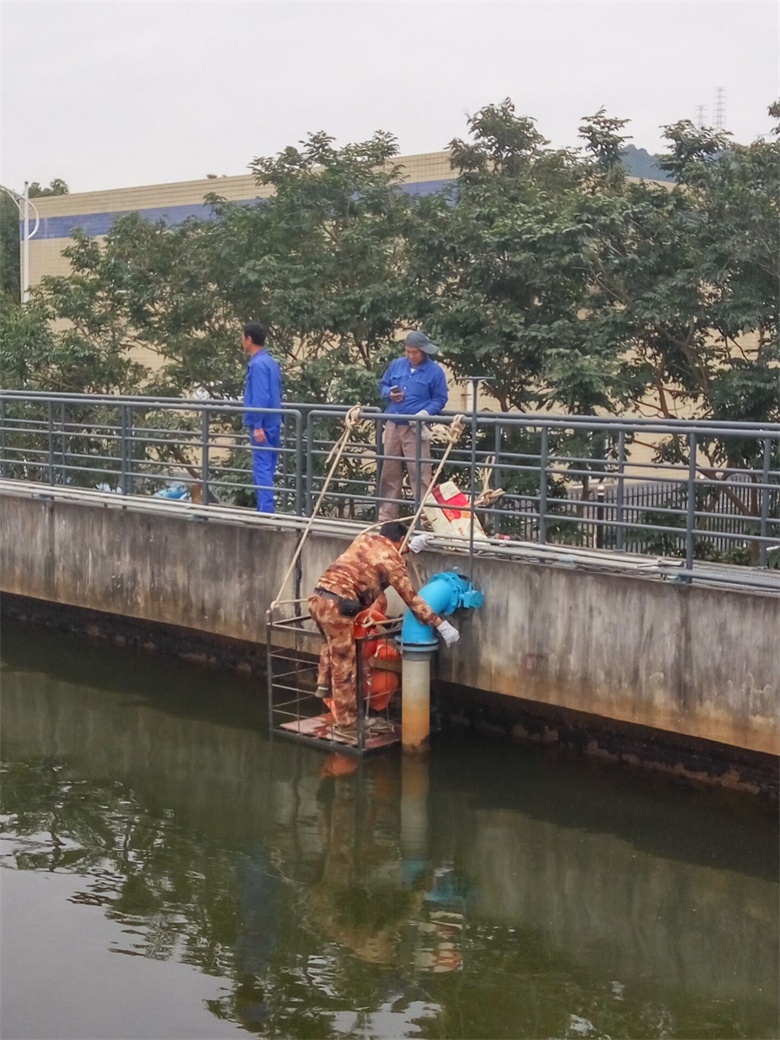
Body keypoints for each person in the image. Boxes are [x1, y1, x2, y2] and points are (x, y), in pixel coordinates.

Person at [308, 521, 459, 735]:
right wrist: (440, 624)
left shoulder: (365, 538)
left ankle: (323, 683)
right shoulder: (393, 560)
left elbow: (379, 554)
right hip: (338, 607)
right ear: (399, 541)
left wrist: (409, 547)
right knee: (345, 665)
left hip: (318, 598)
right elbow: (412, 599)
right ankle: (347, 724)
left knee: (330, 642)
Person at [378, 330, 449, 521]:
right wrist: (389, 394)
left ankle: (426, 518)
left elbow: (440, 399)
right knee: (389, 472)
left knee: (420, 473)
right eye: (408, 352)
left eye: (415, 352)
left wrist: (424, 413)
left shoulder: (435, 372)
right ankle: (386, 518)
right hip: (393, 423)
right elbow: (383, 385)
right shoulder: (396, 365)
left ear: (423, 351)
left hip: (415, 426)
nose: (411, 356)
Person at [242, 322, 283, 513]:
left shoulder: (257, 365)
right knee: (269, 465)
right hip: (274, 421)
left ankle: (265, 511)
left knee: (263, 467)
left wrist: (257, 424)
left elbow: (260, 396)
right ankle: (265, 509)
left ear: (249, 339)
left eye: (243, 337)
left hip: (263, 424)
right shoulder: (271, 362)